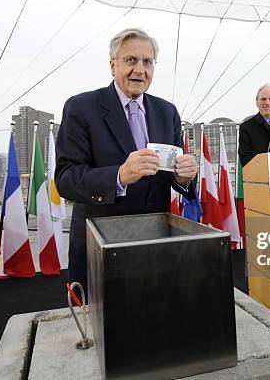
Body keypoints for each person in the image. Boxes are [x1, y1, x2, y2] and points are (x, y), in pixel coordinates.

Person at [55, 28, 197, 292]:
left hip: (156, 242)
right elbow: (66, 179)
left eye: (147, 62)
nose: (139, 70)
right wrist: (118, 176)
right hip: (102, 244)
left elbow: (172, 174)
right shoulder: (81, 107)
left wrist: (184, 177)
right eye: (131, 60)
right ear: (112, 66)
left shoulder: (167, 112)